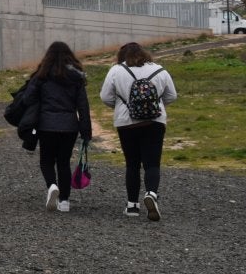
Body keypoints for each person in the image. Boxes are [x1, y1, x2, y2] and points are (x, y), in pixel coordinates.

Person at [100, 42, 177, 220]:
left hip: (126, 123)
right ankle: (151, 193)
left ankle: (132, 206)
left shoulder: (116, 70)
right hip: (155, 122)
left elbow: (105, 97)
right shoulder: (160, 70)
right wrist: (155, 107)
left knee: (132, 163)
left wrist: (122, 107)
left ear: (122, 56)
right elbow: (172, 95)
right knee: (152, 163)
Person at [26, 41, 92, 213]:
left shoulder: (41, 76)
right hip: (70, 126)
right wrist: (86, 131)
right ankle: (64, 202)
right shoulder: (77, 77)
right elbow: (83, 106)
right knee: (63, 162)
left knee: (46, 160)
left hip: (46, 125)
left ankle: (52, 186)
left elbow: (28, 98)